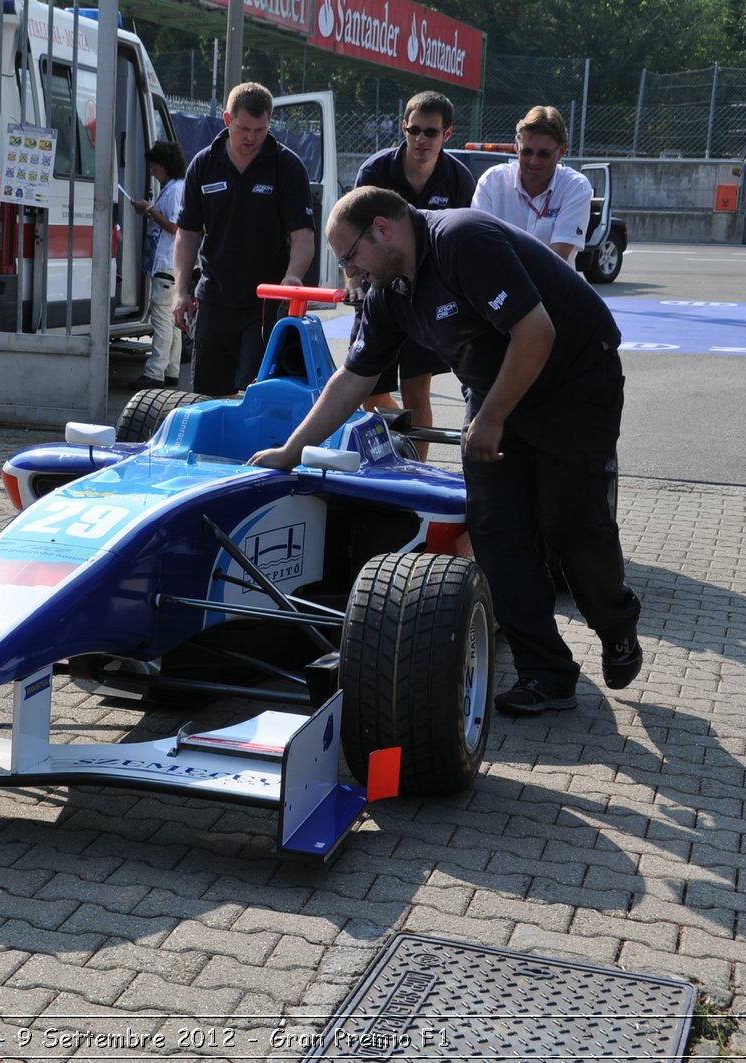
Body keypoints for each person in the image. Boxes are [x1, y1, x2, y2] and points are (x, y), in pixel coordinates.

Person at [250, 187, 643, 715]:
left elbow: (536, 333)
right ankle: (546, 674)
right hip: (495, 388)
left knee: (569, 522)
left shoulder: (461, 241)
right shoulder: (389, 289)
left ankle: (616, 624)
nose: (351, 272)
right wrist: (293, 450)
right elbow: (352, 379)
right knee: (496, 529)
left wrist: (492, 419)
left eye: (350, 257)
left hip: (573, 380)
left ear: (383, 230)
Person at [350, 90, 475, 458]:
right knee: (368, 389)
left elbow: (463, 247)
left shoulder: (459, 180)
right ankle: (391, 452)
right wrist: (354, 281)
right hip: (380, 295)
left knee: (417, 389)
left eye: (431, 133)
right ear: (403, 128)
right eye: (415, 130)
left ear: (447, 135)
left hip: (427, 297)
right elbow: (351, 233)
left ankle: (418, 470)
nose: (421, 140)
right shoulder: (374, 172)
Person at [173, 82, 315, 397]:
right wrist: (181, 290)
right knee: (208, 395)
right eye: (243, 128)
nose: (251, 137)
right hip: (214, 296)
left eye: (260, 129)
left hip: (264, 301)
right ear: (227, 119)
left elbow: (303, 235)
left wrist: (293, 275)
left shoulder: (286, 166)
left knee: (258, 392)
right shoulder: (205, 164)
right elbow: (187, 233)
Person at [472, 105, 592, 263]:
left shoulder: (575, 187)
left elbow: (557, 260)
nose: (534, 161)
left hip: (551, 285)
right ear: (517, 147)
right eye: (527, 152)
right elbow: (480, 248)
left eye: (544, 154)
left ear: (562, 151)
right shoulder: (492, 182)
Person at [130, 140, 187, 389]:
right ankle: (172, 370)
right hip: (169, 264)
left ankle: (155, 372)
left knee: (163, 320)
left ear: (166, 166)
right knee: (172, 321)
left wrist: (150, 210)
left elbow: (175, 227)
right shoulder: (176, 187)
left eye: (155, 169)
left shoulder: (174, 190)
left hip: (165, 262)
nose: (153, 173)